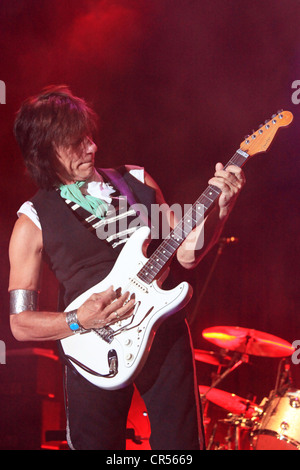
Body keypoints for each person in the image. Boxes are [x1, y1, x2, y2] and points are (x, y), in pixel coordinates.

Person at [8, 86, 245, 450]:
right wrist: (77, 320)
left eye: (88, 136)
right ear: (45, 149)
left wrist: (222, 211)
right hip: (92, 348)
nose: (91, 147)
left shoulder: (135, 180)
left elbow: (185, 255)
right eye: (75, 142)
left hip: (161, 332)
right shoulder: (33, 220)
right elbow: (20, 324)